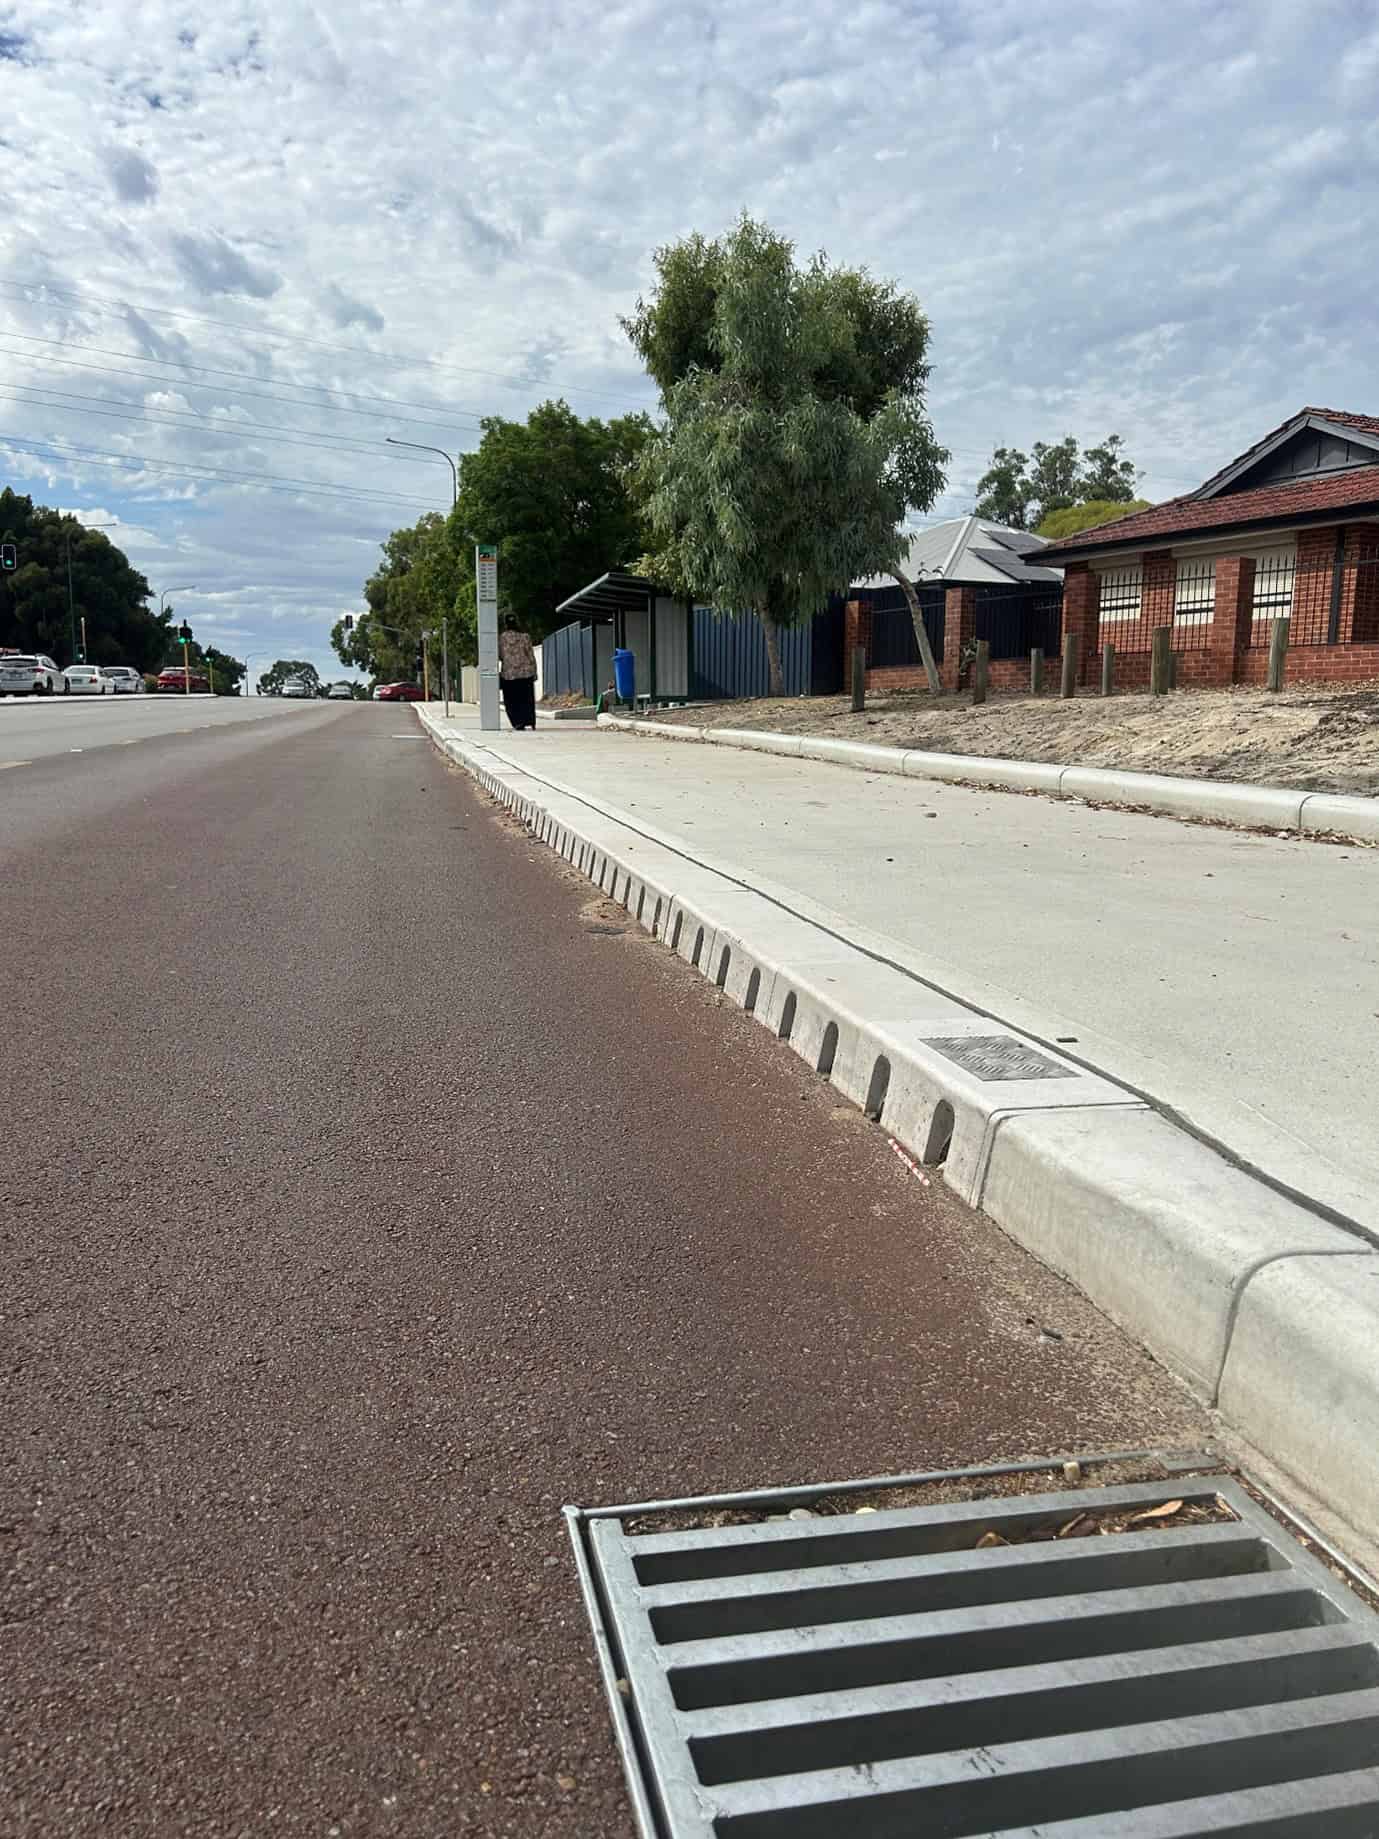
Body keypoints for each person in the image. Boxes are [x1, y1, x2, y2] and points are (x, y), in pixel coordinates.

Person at [498, 613, 537, 730]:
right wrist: (534, 672)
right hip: (526, 673)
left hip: (509, 675)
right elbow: (531, 655)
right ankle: (530, 721)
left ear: (506, 624)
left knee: (511, 700)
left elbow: (500, 655)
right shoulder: (525, 637)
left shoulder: (502, 638)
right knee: (527, 699)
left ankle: (517, 722)